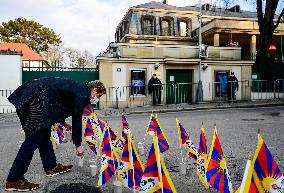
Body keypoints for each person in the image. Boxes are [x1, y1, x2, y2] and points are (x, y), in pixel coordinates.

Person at [5, 77, 106, 191]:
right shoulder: (83, 94)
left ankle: (50, 166)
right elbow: (77, 119)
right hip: (36, 99)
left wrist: (62, 123)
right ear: (93, 89)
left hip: (39, 98)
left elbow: (58, 102)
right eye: (99, 95)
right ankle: (14, 179)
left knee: (44, 135)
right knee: (34, 138)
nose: (97, 98)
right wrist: (78, 146)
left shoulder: (79, 89)